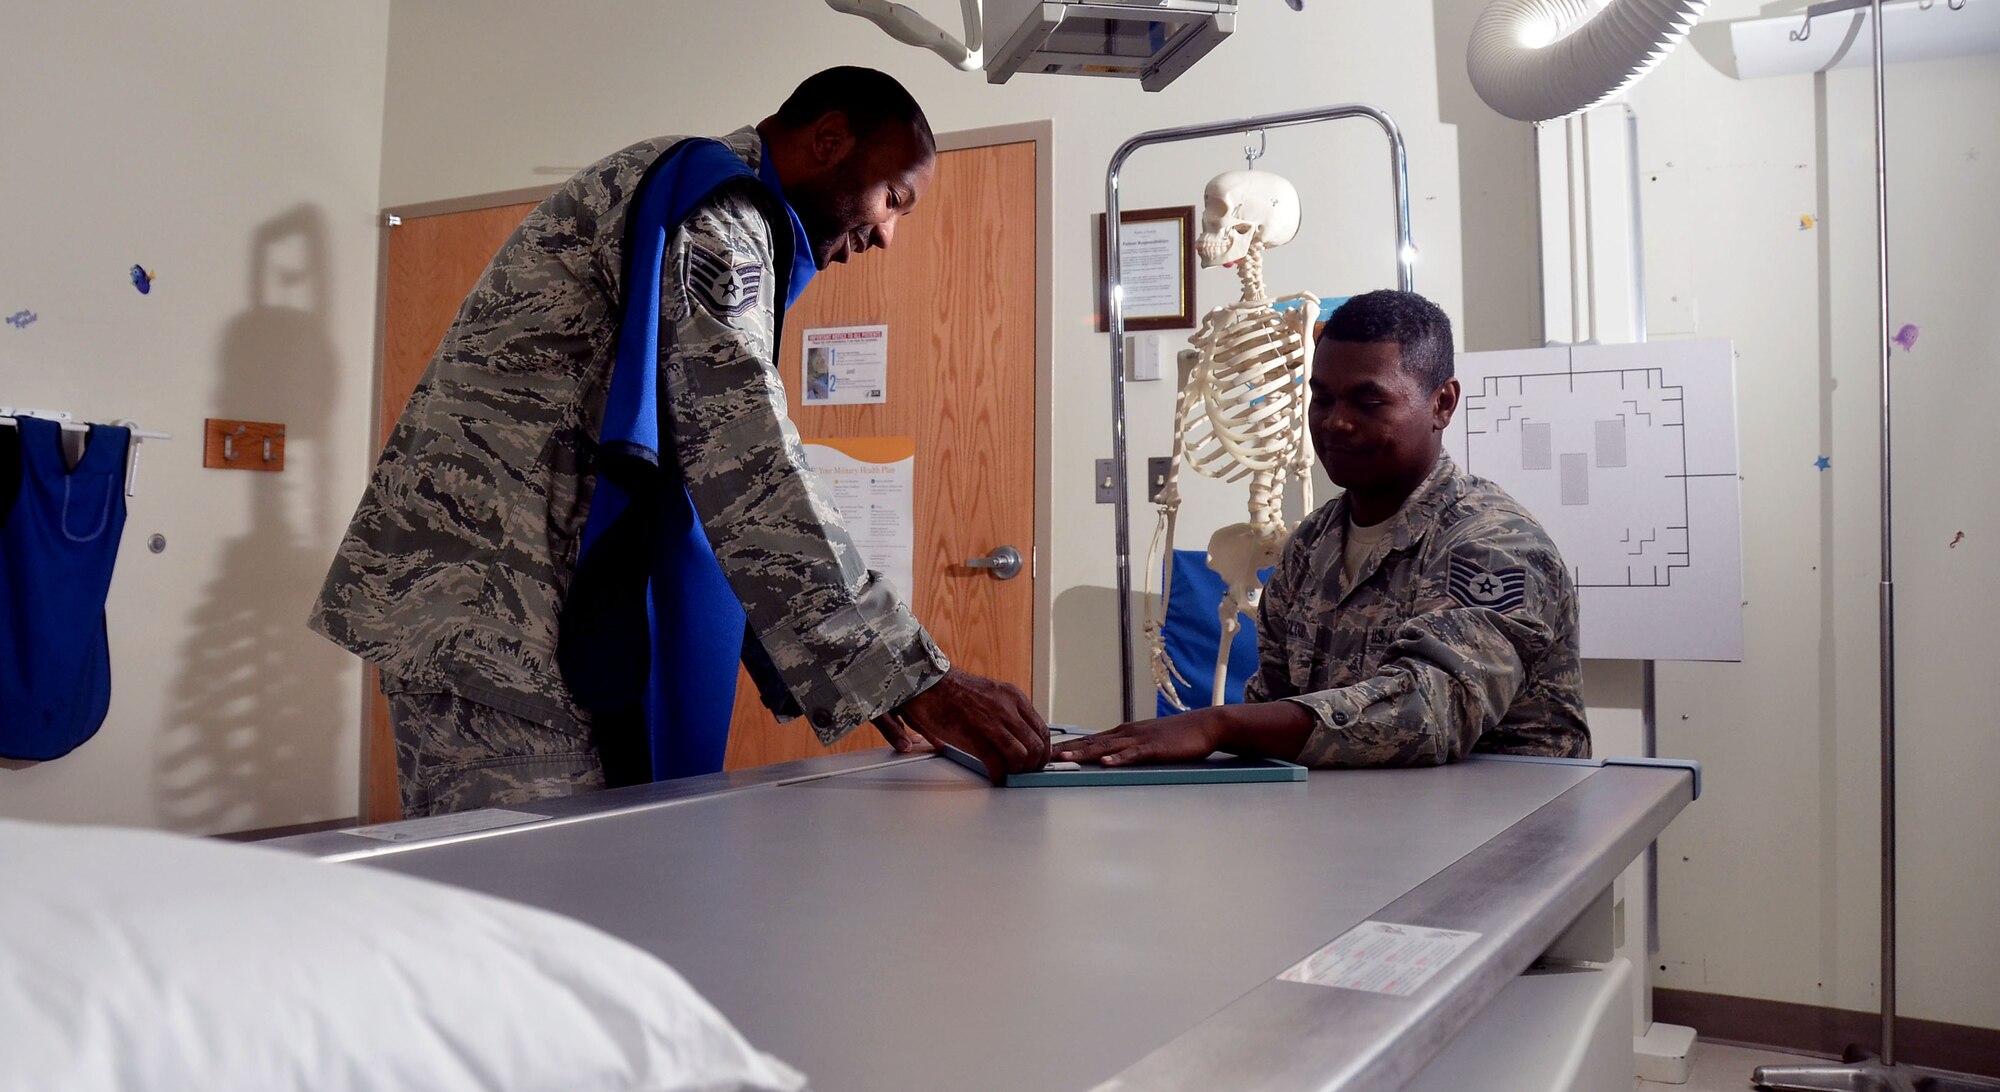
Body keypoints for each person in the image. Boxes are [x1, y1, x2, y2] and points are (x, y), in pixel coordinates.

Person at [312, 67, 1048, 817]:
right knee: (530, 906)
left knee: (579, 894)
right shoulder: (715, 208)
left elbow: (700, 474)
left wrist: (858, 674)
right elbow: (747, 457)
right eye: (893, 199)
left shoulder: (701, 202)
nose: (887, 234)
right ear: (828, 140)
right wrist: (910, 673)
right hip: (495, 621)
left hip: (509, 611)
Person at [1057, 290, 1589, 769]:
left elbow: (1430, 713)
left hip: (1500, 836)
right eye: (1324, 398)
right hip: (1347, 830)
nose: (1335, 422)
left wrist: (1215, 724)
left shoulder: (1493, 544)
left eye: (1369, 401)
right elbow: (1274, 704)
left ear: (1442, 404)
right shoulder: (1314, 544)